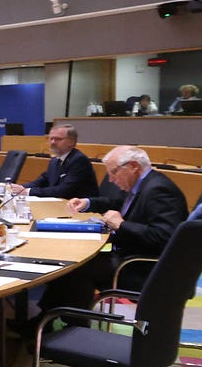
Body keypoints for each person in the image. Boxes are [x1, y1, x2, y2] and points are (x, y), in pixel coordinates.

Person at [38, 146, 188, 319]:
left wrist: (122, 225)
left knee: (74, 268)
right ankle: (52, 318)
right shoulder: (142, 184)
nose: (110, 179)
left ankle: (64, 323)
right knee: (72, 263)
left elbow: (165, 238)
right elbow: (115, 202)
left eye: (114, 172)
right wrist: (86, 203)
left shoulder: (159, 190)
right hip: (128, 256)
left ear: (133, 166)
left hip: (143, 268)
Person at [10, 124, 97, 200]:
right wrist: (22, 187)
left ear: (72, 141)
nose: (53, 142)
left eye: (58, 139)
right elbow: (43, 180)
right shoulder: (55, 159)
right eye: (51, 138)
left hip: (80, 209)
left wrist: (28, 191)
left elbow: (63, 190)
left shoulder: (79, 160)